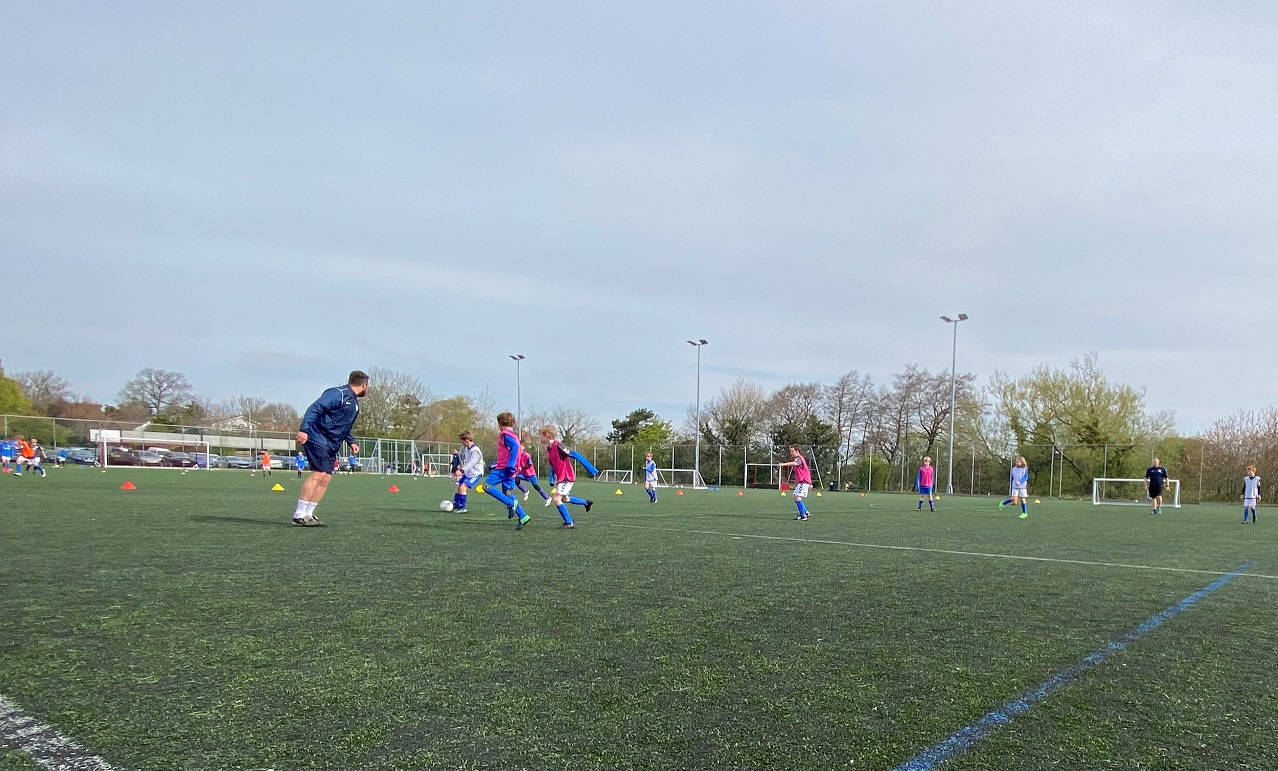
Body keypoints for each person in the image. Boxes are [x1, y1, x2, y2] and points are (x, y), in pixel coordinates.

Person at [291, 370, 368, 526]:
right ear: (364, 385)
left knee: (326, 478)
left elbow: (344, 426)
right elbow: (315, 408)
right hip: (317, 437)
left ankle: (308, 513)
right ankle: (299, 514)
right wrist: (304, 430)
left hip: (333, 443)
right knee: (319, 474)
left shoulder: (355, 404)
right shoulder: (337, 393)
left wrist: (351, 441)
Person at [539, 425, 599, 528]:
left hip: (567, 477)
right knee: (565, 499)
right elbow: (554, 465)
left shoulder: (559, 446)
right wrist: (551, 477)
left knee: (556, 499)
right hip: (561, 478)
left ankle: (569, 522)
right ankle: (586, 503)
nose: (540, 438)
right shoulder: (550, 449)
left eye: (541, 436)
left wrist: (591, 469)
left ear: (548, 436)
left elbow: (575, 454)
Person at [484, 413, 532, 529]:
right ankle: (523, 516)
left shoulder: (505, 434)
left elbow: (515, 447)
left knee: (487, 486)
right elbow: (513, 451)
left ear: (500, 424)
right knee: (507, 493)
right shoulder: (514, 435)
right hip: (511, 469)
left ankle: (511, 504)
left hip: (504, 469)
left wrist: (509, 465)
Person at [776, 444, 813, 520]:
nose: (791, 453)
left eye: (792, 451)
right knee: (795, 496)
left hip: (804, 481)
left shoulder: (799, 458)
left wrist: (783, 464)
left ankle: (803, 515)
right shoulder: (798, 458)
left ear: (797, 451)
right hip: (802, 481)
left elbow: (795, 463)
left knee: (797, 496)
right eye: (790, 451)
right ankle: (805, 512)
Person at [450, 431, 484, 513]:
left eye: (462, 441)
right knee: (459, 488)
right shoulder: (467, 449)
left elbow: (472, 462)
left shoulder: (475, 451)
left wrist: (461, 471)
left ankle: (463, 508)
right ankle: (457, 505)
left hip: (475, 474)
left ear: (467, 440)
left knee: (462, 488)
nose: (462, 443)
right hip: (469, 473)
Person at [511, 434, 550, 505]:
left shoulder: (526, 455)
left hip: (530, 474)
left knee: (536, 486)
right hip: (522, 473)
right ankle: (525, 491)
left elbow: (530, 464)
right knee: (516, 479)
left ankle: (547, 498)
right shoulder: (517, 456)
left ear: (523, 447)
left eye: (520, 446)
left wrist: (522, 468)